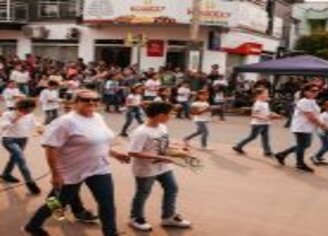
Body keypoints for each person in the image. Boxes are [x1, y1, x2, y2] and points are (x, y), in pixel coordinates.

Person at [24, 89, 130, 236]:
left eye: (95, 99)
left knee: (106, 202)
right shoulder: (65, 122)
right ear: (75, 102)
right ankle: (33, 225)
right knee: (56, 203)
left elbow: (100, 142)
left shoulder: (98, 117)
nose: (92, 102)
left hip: (99, 168)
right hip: (71, 171)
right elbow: (51, 147)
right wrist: (55, 174)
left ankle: (110, 232)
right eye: (86, 100)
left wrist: (115, 154)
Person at [128, 102, 191, 231]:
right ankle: (136, 218)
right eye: (170, 113)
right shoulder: (141, 132)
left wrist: (178, 147)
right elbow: (133, 152)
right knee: (143, 193)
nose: (172, 116)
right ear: (161, 115)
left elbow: (162, 144)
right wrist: (162, 158)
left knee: (172, 189)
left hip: (164, 168)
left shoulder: (162, 127)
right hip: (146, 170)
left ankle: (168, 217)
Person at [275, 84, 323, 173]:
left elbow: (315, 115)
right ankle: (299, 163)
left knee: (305, 145)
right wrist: (322, 125)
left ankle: (282, 154)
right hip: (301, 127)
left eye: (317, 91)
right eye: (313, 90)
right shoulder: (304, 101)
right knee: (302, 145)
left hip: (307, 127)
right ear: (306, 92)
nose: (315, 92)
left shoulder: (312, 101)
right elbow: (310, 116)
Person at [0, 98, 42, 194]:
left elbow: (34, 122)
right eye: (28, 110)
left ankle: (6, 174)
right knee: (21, 160)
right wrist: (16, 118)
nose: (29, 112)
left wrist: (39, 127)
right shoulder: (8, 114)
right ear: (21, 107)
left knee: (14, 159)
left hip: (23, 139)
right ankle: (30, 183)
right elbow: (2, 126)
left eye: (31, 110)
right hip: (9, 140)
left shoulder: (30, 114)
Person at [233, 88, 281, 157]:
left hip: (265, 123)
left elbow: (267, 113)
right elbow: (254, 114)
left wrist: (273, 114)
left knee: (266, 138)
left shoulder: (265, 103)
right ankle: (238, 146)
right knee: (252, 137)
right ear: (259, 95)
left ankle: (267, 151)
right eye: (265, 93)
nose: (267, 95)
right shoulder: (258, 104)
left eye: (267, 93)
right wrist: (264, 118)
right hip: (257, 124)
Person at [310, 101, 328, 166]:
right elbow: (322, 126)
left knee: (325, 145)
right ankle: (315, 156)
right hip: (322, 132)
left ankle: (319, 157)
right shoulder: (323, 115)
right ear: (326, 108)